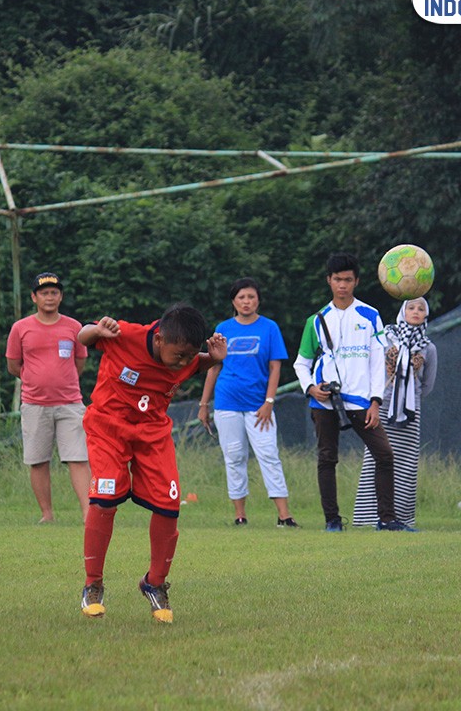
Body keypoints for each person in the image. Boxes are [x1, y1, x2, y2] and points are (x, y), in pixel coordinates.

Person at [78, 304, 226, 624]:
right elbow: (82, 336)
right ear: (159, 340)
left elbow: (197, 364)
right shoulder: (126, 334)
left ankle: (155, 583)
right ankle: (93, 584)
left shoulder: (184, 355)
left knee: (169, 505)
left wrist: (214, 358)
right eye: (179, 355)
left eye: (190, 355)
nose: (183, 363)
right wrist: (96, 329)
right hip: (108, 429)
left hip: (153, 435)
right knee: (104, 499)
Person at [293, 252, 413, 532]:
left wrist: (375, 401)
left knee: (384, 455)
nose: (342, 285)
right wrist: (311, 388)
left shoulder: (371, 315)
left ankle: (386, 519)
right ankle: (332, 521)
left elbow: (378, 362)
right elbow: (301, 363)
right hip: (325, 402)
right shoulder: (317, 320)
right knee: (327, 458)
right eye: (337, 280)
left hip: (362, 402)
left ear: (356, 281)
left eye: (348, 280)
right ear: (329, 281)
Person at [198, 278, 299, 528]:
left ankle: (284, 516)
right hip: (226, 402)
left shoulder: (269, 328)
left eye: (251, 297)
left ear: (258, 300)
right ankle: (240, 515)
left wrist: (269, 401)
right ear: (234, 301)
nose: (246, 301)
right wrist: (203, 404)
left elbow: (275, 367)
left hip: (259, 405)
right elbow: (213, 367)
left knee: (268, 454)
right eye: (241, 297)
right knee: (234, 456)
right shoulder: (223, 328)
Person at [5, 272, 90, 523]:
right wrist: (35, 378)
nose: (50, 297)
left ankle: (88, 513)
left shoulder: (74, 327)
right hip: (34, 403)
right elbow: (13, 365)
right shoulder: (20, 328)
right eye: (44, 293)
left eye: (54, 292)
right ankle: (47, 514)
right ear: (34, 297)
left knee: (78, 457)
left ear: (60, 297)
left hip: (70, 403)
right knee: (38, 459)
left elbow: (80, 362)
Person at [352, 297, 438, 528]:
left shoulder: (428, 348)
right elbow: (374, 370)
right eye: (411, 307)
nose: (416, 312)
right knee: (375, 459)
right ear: (403, 311)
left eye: (421, 309)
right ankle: (368, 518)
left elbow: (427, 385)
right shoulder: (386, 338)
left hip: (410, 413)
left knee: (406, 464)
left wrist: (409, 399)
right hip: (381, 407)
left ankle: (400, 517)